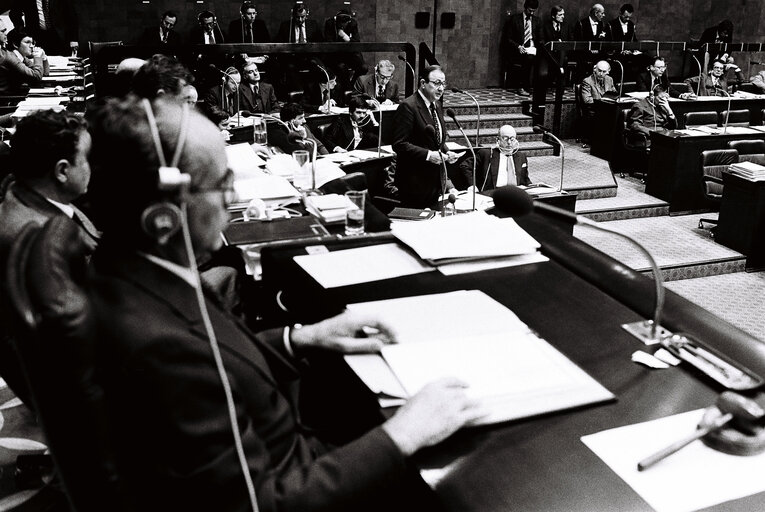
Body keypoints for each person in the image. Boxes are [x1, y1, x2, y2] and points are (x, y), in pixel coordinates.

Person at [85, 94, 482, 512]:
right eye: (222, 183)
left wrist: (301, 337)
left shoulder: (139, 271)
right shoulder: (159, 348)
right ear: (164, 218)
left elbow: (220, 361)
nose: (233, 196)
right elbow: (260, 504)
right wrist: (403, 433)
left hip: (297, 449)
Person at [0, 109, 95, 406]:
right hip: (72, 390)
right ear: (62, 170)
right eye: (87, 159)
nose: (93, 167)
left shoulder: (22, 192)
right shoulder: (41, 242)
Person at [392, 65, 460, 208]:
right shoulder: (408, 106)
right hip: (414, 182)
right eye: (436, 83)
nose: (441, 88)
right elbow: (399, 144)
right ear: (423, 83)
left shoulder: (437, 105)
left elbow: (434, 138)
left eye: (443, 83)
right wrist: (429, 155)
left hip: (436, 180)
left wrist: (446, 151)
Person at [458, 125, 531, 193]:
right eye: (505, 138)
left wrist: (535, 187)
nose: (509, 142)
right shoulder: (487, 154)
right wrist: (472, 185)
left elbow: (525, 180)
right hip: (493, 193)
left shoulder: (521, 156)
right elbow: (465, 166)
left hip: (515, 193)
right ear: (498, 140)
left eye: (512, 139)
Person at [500, 0, 541, 95]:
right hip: (518, 50)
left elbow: (541, 38)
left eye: (533, 11)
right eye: (530, 10)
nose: (531, 13)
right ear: (525, 7)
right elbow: (508, 39)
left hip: (533, 49)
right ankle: (522, 86)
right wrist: (518, 46)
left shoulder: (537, 21)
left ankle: (537, 86)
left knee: (540, 58)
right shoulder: (514, 19)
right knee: (528, 58)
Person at [10, 0, 79, 56]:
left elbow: (71, 16)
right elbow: (14, 13)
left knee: (62, 64)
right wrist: (22, 31)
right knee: (39, 63)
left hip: (60, 36)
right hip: (37, 37)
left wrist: (73, 39)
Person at [0, 20, 44, 95]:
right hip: (8, 101)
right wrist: (37, 57)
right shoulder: (6, 56)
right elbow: (36, 77)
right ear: (15, 45)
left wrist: (44, 58)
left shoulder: (7, 54)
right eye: (3, 31)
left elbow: (43, 73)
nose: (6, 33)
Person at [580, 60, 616, 144]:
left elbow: (614, 94)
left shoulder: (609, 79)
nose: (601, 74)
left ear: (608, 71)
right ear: (595, 69)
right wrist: (601, 101)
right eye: (599, 71)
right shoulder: (587, 81)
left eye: (604, 72)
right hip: (594, 109)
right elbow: (587, 100)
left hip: (607, 108)